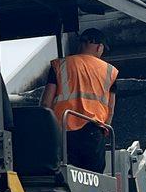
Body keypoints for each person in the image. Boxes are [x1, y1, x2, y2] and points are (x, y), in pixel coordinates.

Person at [42, 29, 119, 171]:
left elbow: (46, 103)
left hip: (63, 133)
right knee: (93, 180)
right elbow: (110, 109)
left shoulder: (60, 66)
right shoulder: (109, 71)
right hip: (93, 132)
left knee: (65, 176)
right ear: (99, 46)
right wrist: (104, 131)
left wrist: (47, 133)